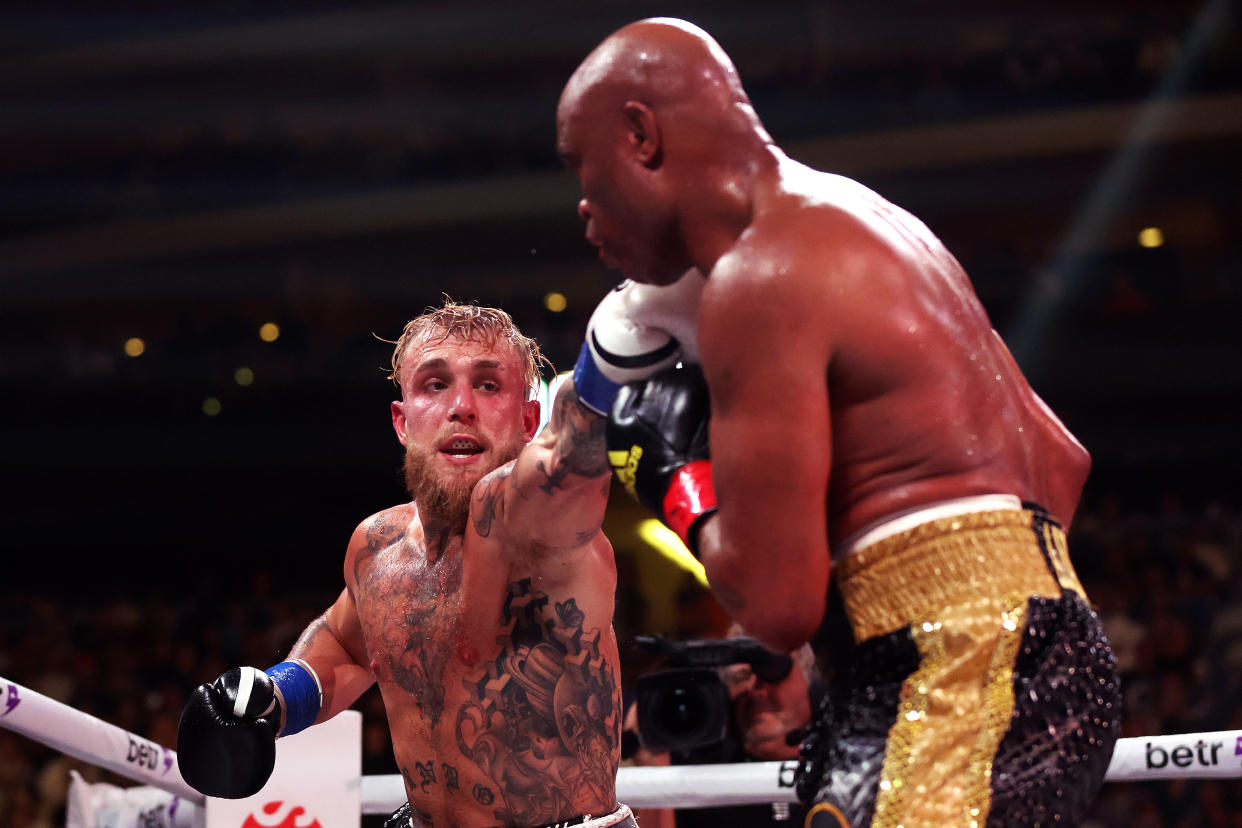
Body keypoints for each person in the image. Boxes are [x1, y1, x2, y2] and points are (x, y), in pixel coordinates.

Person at [557, 18, 1121, 828]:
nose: (581, 204)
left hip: (954, 669)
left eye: (582, 165)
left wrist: (672, 476)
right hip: (1009, 651)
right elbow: (1061, 463)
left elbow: (776, 606)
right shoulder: (876, 226)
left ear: (641, 136)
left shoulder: (758, 279)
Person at [176, 301, 639, 828]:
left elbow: (570, 468)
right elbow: (348, 646)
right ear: (402, 419)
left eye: (489, 385)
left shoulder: (540, 530)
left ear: (529, 420)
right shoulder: (377, 546)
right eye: (435, 384)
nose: (461, 406)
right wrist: (274, 696)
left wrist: (611, 365)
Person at [623, 624, 820, 828]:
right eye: (741, 676)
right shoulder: (697, 761)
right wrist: (657, 771)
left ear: (809, 679)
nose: (754, 688)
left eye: (768, 671)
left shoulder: (837, 752)